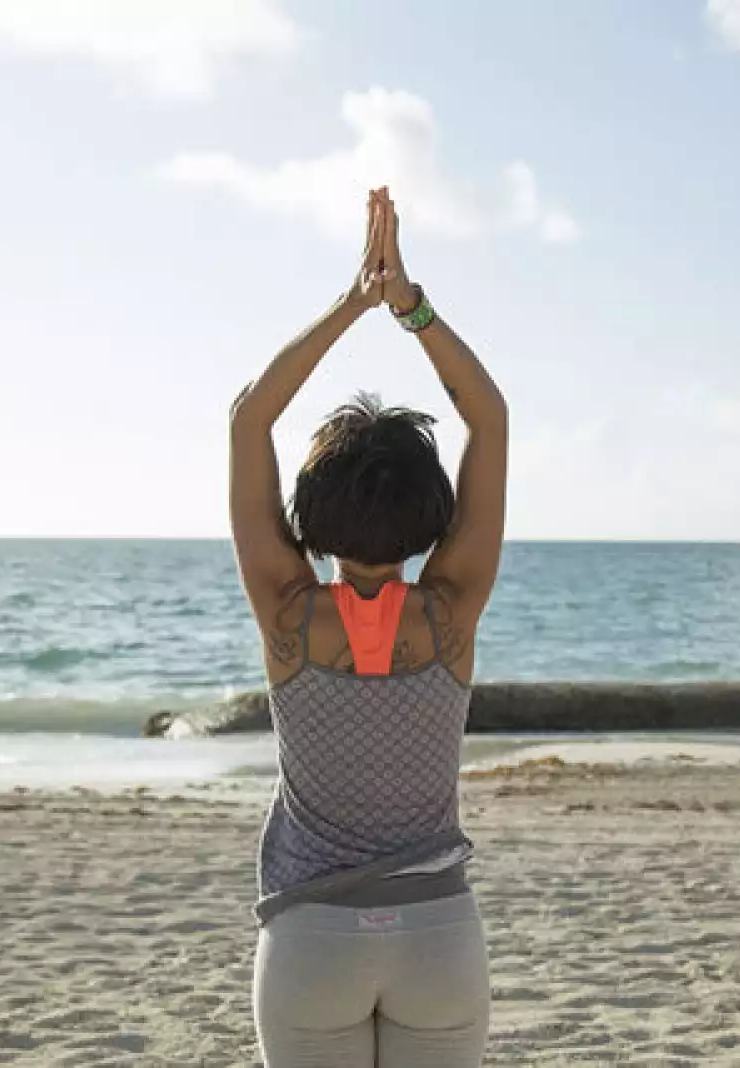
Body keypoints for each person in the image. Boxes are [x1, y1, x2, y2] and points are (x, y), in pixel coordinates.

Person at [229, 187, 508, 1067]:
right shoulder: (450, 612)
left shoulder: (289, 617)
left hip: (311, 943)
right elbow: (488, 417)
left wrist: (354, 302)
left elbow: (250, 418)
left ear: (311, 513)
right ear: (433, 512)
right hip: (438, 938)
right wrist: (409, 307)